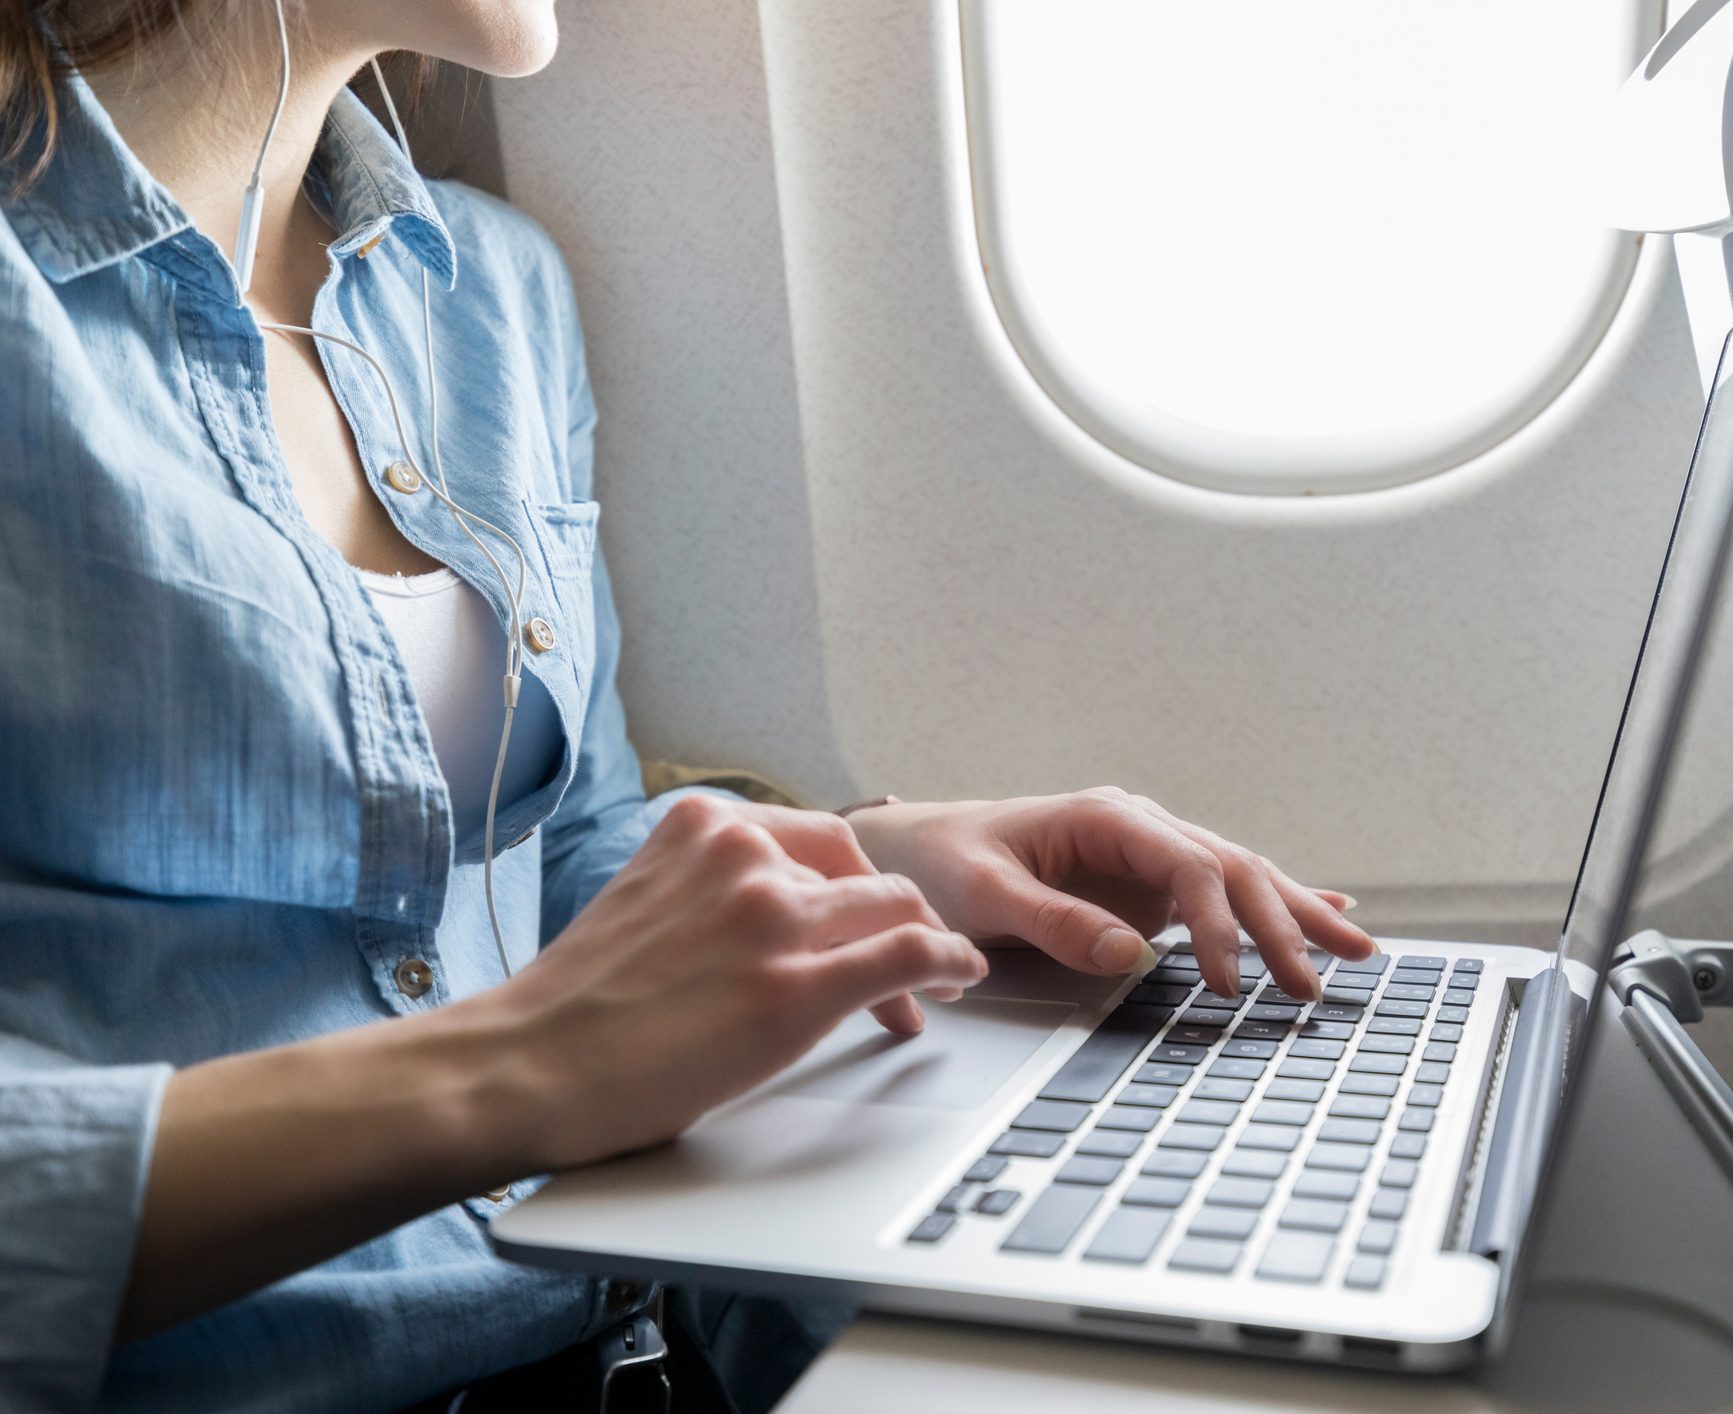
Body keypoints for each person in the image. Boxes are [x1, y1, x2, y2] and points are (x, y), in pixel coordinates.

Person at [0, 0, 1376, 1409]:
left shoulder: (482, 290)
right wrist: (515, 1073)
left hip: (616, 1337)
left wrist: (856, 865)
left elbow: (551, 860)